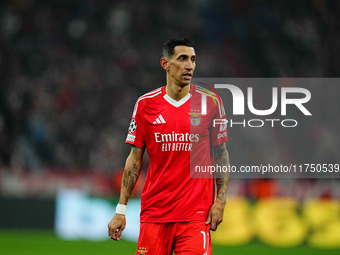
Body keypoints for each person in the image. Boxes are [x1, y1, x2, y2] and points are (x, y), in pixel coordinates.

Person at [108, 38, 230, 254]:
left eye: (193, 59)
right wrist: (121, 209)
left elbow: (221, 153)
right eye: (182, 58)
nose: (189, 65)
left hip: (195, 216)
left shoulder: (210, 101)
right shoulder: (146, 104)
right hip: (155, 215)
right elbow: (134, 159)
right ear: (165, 64)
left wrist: (220, 200)